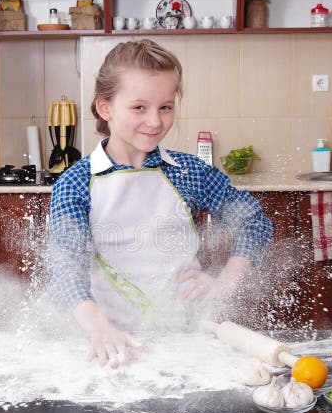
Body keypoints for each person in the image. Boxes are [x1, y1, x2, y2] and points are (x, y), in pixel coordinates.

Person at [48, 39, 273, 368]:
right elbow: (65, 267)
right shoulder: (77, 183)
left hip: (189, 342)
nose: (155, 121)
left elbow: (254, 222)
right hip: (112, 346)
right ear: (105, 108)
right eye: (139, 107)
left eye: (165, 107)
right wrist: (99, 329)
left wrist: (225, 283)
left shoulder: (189, 173)